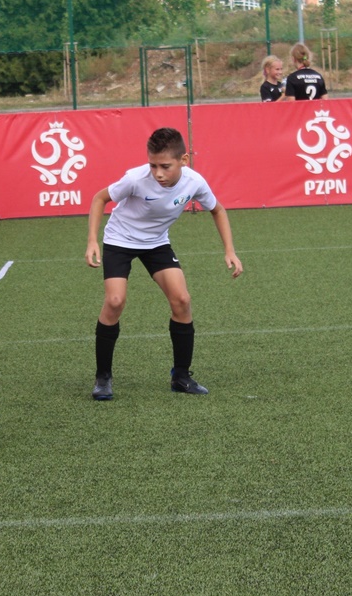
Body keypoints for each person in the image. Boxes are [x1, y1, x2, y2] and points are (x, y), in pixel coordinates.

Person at [85, 127, 243, 401]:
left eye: (165, 166)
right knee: (114, 301)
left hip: (156, 243)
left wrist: (230, 250)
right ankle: (103, 378)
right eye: (153, 165)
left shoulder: (194, 182)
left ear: (184, 161)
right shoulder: (135, 178)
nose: (158, 173)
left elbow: (217, 210)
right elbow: (100, 198)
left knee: (182, 300)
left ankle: (181, 377)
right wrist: (92, 241)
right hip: (120, 240)